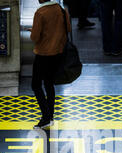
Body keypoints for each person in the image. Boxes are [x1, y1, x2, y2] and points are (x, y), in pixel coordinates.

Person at [28, 0, 71, 129]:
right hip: (58, 52)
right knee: (49, 83)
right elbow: (68, 28)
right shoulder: (61, 10)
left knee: (35, 85)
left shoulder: (40, 13)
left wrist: (33, 31)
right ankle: (50, 116)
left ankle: (46, 117)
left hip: (43, 54)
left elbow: (34, 37)